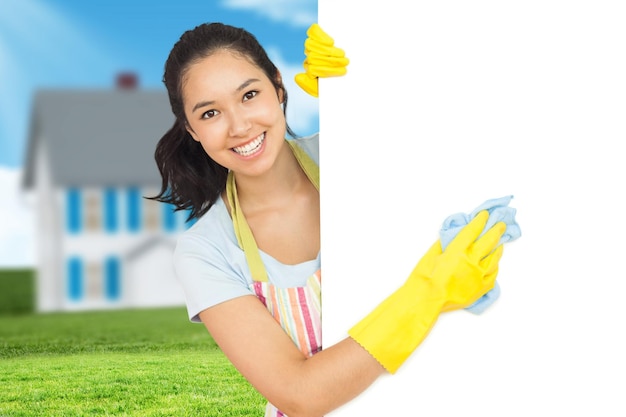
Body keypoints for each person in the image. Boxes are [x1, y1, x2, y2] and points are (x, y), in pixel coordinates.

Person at [151, 22, 508, 417]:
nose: (239, 126)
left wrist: (362, 85)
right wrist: (428, 293)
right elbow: (300, 394)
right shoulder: (205, 251)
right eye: (211, 113)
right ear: (192, 130)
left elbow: (453, 123)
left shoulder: (354, 151)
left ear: (279, 87)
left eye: (250, 95)